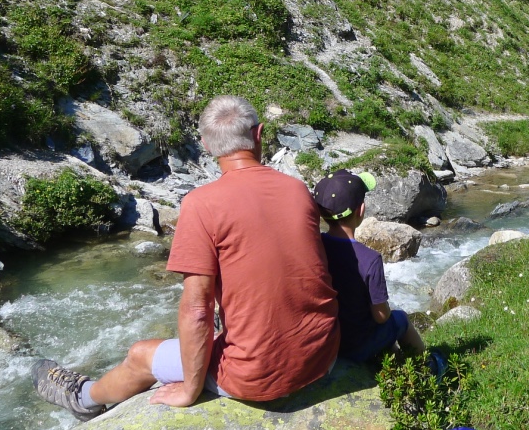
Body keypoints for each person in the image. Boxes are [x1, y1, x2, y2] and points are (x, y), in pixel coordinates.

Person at [31, 96, 340, 421]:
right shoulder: (297, 189)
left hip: (256, 377)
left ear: (206, 145)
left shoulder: (200, 204)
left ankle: (83, 397)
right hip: (323, 356)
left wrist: (190, 389)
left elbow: (197, 310)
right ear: (259, 134)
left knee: (140, 354)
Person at [314, 169, 442, 374]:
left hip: (329, 340)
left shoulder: (315, 246)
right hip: (356, 345)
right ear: (361, 210)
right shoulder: (370, 259)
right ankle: (430, 368)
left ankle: (394, 362)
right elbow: (381, 315)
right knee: (400, 319)